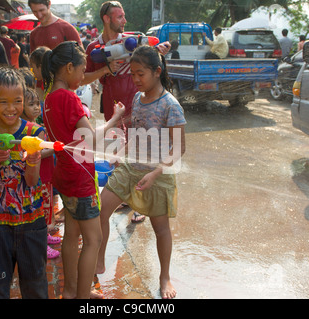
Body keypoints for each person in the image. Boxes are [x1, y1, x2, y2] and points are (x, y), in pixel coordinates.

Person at [96, 45, 186, 299]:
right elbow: (136, 133)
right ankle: (100, 259)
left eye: (140, 74)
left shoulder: (171, 105)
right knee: (101, 209)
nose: (135, 80)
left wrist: (155, 173)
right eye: (132, 74)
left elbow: (179, 147)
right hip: (130, 167)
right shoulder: (137, 98)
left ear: (157, 72)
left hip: (159, 174)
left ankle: (164, 276)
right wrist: (121, 153)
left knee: (161, 229)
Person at [41, 41, 125, 299]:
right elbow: (90, 139)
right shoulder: (68, 98)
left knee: (72, 235)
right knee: (93, 240)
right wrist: (114, 118)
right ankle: (83, 297)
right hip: (81, 178)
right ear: (68, 68)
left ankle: (69, 291)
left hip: (64, 175)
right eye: (81, 70)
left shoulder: (49, 99)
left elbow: (68, 140)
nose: (82, 77)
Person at [83, 1, 170, 223]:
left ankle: (139, 203)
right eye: (120, 17)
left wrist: (159, 52)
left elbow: (150, 60)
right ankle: (125, 195)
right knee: (118, 150)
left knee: (139, 148)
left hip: (136, 98)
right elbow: (83, 78)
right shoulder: (94, 48)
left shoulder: (134, 41)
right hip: (112, 100)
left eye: (124, 16)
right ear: (106, 18)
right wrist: (106, 68)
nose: (124, 21)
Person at [0, 65, 48, 299]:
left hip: (31, 223)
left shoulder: (35, 132)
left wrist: (33, 162)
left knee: (35, 285)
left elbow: (32, 182)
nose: (12, 108)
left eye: (18, 101)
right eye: (3, 102)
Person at [21, 87, 61, 259]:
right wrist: (52, 148)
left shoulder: (38, 127)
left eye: (38, 104)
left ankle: (44, 236)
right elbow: (31, 154)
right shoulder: (27, 131)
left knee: (46, 209)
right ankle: (41, 245)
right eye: (31, 105)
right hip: (38, 178)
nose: (37, 108)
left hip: (46, 176)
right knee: (40, 211)